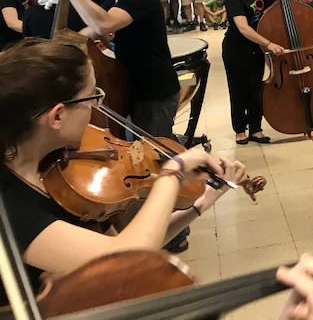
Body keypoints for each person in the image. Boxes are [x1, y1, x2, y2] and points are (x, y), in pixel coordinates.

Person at [0, 38, 247, 297]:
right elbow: (124, 263)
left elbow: (131, 246)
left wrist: (202, 202)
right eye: (92, 97)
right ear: (57, 116)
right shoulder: (10, 208)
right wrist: (171, 173)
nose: (98, 108)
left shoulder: (58, 166)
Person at [52, 0, 181, 139]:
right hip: (134, 90)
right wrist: (58, 47)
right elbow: (92, 29)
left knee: (155, 160)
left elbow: (104, 24)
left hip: (155, 93)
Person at [222, 0, 288, 145]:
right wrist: (268, 43)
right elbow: (243, 28)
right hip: (236, 49)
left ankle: (256, 128)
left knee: (255, 88)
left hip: (255, 48)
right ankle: (240, 130)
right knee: (238, 89)